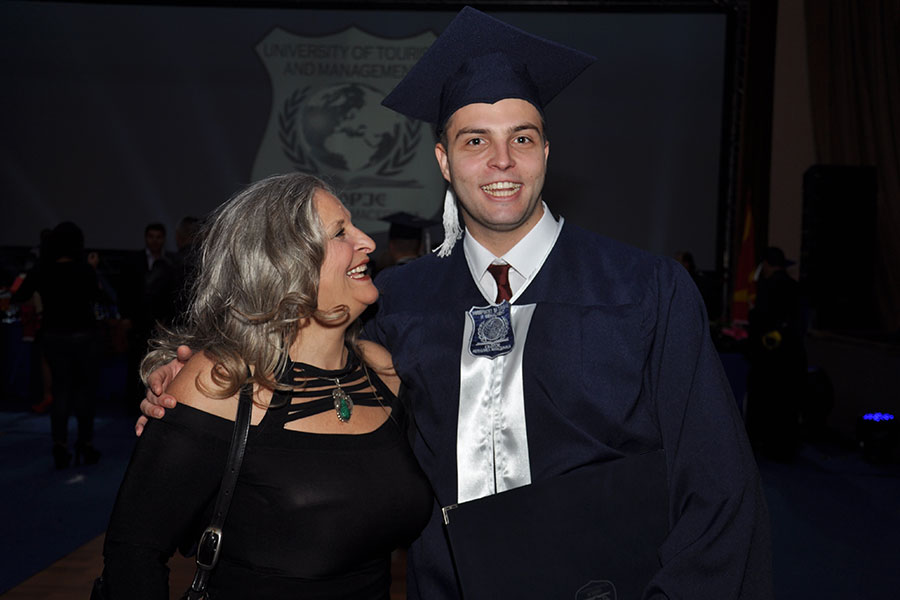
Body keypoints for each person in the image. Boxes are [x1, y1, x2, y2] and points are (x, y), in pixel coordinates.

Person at [141, 7, 772, 598]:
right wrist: (190, 383)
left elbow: (719, 487)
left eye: (522, 138)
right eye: (475, 141)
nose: (502, 161)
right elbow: (292, 368)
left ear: (546, 151)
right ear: (443, 161)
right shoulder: (395, 302)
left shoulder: (644, 291)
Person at [102, 173, 432, 599]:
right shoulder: (220, 383)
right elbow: (133, 554)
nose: (367, 241)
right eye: (340, 232)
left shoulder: (383, 372)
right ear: (284, 261)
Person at [12, 221, 107, 468]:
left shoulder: (42, 269)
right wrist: (93, 271)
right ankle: (85, 444)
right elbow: (100, 297)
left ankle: (60, 445)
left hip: (54, 336)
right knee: (84, 392)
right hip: (84, 335)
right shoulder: (84, 270)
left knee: (60, 391)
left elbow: (19, 295)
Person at [746, 246, 806, 460]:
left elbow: (760, 321)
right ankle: (784, 446)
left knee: (766, 401)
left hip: (769, 359)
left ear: (767, 265)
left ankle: (765, 444)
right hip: (791, 358)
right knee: (786, 403)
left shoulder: (767, 288)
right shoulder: (794, 287)